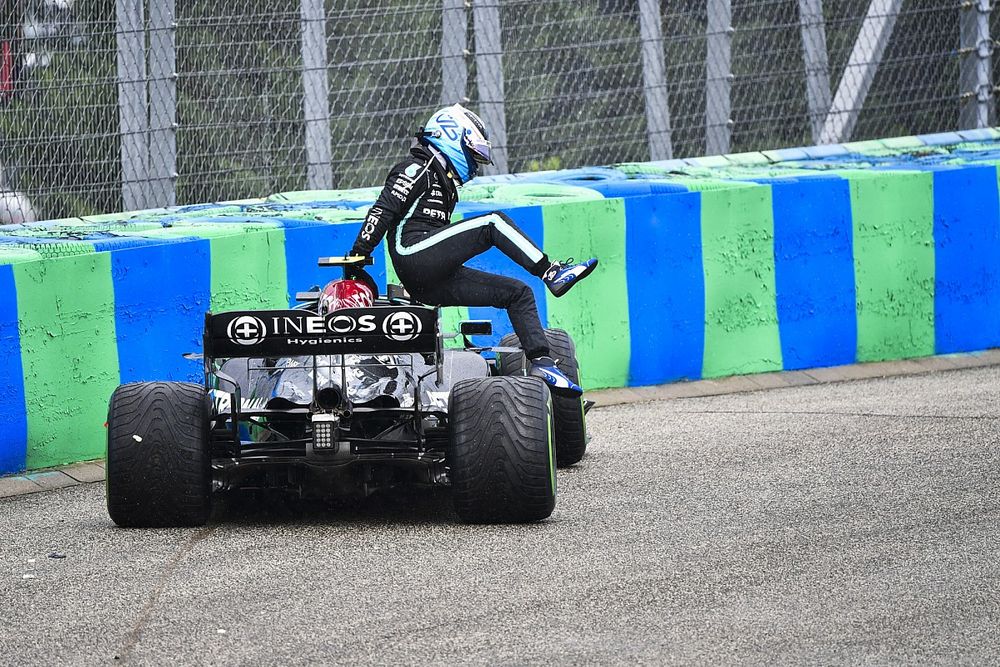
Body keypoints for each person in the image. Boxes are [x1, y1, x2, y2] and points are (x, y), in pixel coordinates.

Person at [347, 103, 598, 397]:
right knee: (492, 223)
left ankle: (542, 362)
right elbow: (383, 209)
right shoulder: (419, 167)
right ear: (451, 136)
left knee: (518, 293)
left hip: (428, 281)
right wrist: (359, 254)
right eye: (472, 152)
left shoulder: (442, 177)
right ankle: (551, 271)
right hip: (413, 253)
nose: (475, 165)